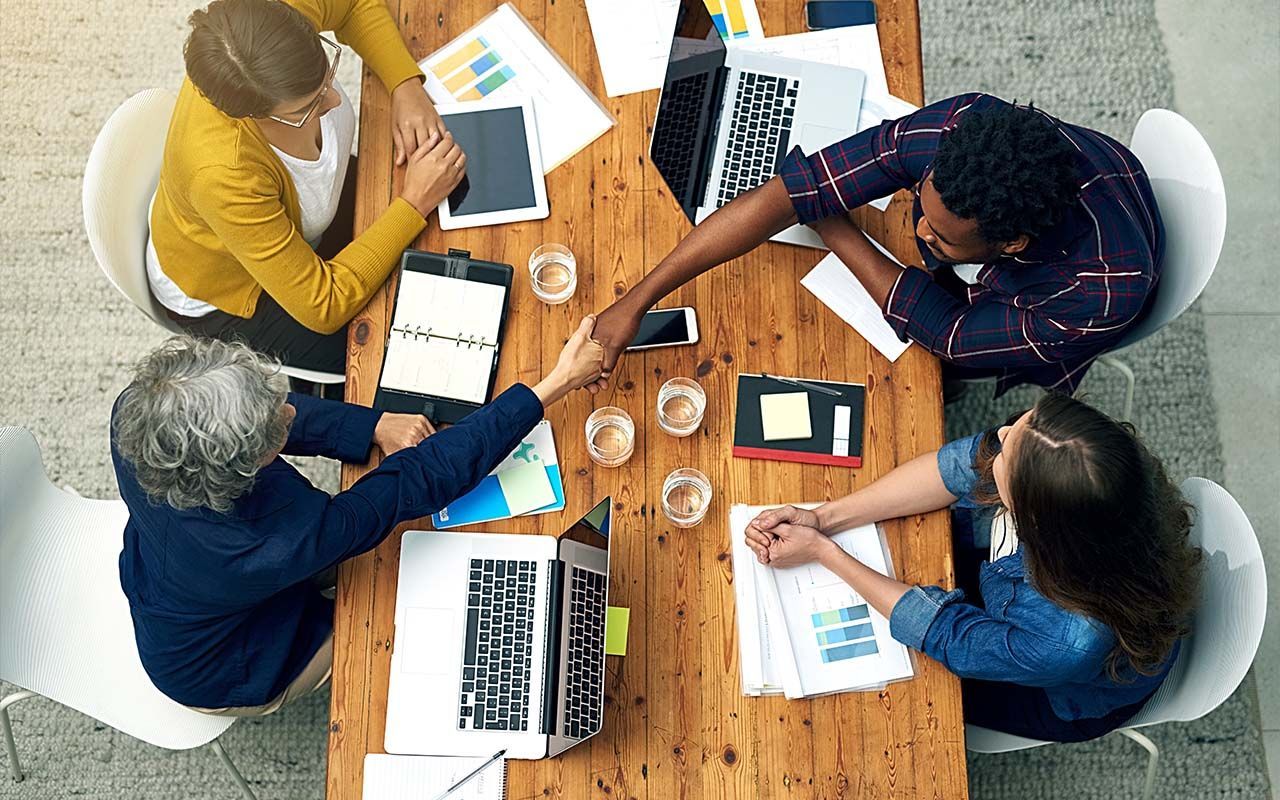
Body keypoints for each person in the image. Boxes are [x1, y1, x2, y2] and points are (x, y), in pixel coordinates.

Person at [110, 321, 603, 714]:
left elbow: (254, 411)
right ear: (242, 467)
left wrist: (374, 424)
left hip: (178, 578)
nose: (289, 413)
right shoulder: (277, 543)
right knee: (404, 616)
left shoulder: (141, 408)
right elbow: (412, 483)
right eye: (275, 424)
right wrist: (554, 384)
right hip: (231, 659)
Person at [591, 93, 1164, 397]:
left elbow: (952, 335)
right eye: (924, 203)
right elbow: (797, 189)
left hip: (1046, 307)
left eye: (940, 236)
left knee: (925, 382)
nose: (919, 231)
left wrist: (834, 226)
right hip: (1026, 249)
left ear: (1011, 242)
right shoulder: (961, 130)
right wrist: (634, 301)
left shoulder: (1099, 291)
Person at [742, 393, 1201, 742]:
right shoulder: (1083, 472)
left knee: (890, 702)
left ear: (1032, 518)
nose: (998, 438)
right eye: (1013, 431)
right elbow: (956, 468)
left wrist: (826, 552)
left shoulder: (1064, 641)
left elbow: (946, 632)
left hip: (1049, 691)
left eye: (1005, 454)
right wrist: (824, 517)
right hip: (1060, 596)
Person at [147, 0, 464, 373]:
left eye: (327, 75)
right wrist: (413, 203)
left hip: (301, 223)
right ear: (253, 114)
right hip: (235, 295)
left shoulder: (269, 23)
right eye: (305, 108)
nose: (332, 100)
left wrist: (405, 86)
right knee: (428, 351)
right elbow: (323, 304)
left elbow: (353, 6)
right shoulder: (224, 174)